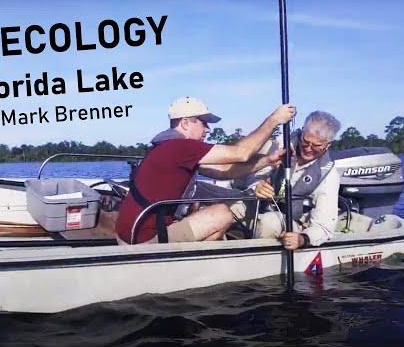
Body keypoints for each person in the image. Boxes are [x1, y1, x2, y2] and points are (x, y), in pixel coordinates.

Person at [115, 96, 296, 245]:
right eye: (203, 123)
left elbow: (224, 171)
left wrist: (267, 160)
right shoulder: (181, 147)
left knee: (214, 210)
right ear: (185, 123)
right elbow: (242, 153)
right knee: (223, 214)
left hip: (127, 232)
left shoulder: (168, 147)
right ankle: (195, 265)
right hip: (143, 239)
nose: (208, 129)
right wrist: (274, 120)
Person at [241, 111, 341, 250]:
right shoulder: (282, 144)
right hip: (259, 205)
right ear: (301, 133)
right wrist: (257, 185)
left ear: (328, 145)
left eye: (316, 145)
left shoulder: (329, 175)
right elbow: (256, 173)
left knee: (268, 223)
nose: (308, 148)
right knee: (225, 207)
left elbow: (324, 225)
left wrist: (303, 239)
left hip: (292, 223)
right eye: (305, 141)